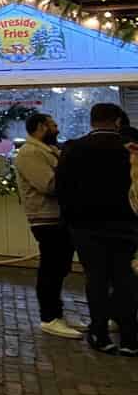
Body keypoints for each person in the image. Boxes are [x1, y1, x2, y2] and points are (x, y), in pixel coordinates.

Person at [57, 102, 137, 355]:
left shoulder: (74, 148)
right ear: (117, 121)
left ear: (91, 121)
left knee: (97, 279)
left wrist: (72, 219)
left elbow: (62, 188)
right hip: (125, 225)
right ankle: (130, 338)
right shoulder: (130, 150)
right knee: (125, 278)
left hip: (86, 226)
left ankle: (100, 334)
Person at [14, 112, 84, 339]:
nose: (58, 129)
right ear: (41, 127)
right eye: (53, 125)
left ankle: (58, 313)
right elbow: (49, 184)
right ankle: (49, 317)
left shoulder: (49, 151)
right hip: (45, 218)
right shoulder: (30, 153)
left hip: (60, 217)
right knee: (51, 268)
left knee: (60, 267)